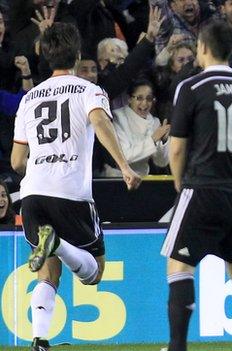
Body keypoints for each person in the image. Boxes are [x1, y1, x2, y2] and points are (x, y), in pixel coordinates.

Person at [10, 22, 141, 351]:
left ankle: (39, 340)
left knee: (47, 276)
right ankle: (57, 244)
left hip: (33, 192)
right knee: (94, 272)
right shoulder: (87, 90)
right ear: (78, 53)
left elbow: (15, 161)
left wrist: (41, 168)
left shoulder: (29, 100)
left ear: (44, 54)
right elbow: (99, 121)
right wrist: (124, 166)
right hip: (71, 192)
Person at [161, 20, 232, 351]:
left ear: (204, 48)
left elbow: (177, 146)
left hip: (200, 187)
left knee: (179, 267)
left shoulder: (192, 88)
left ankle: (177, 345)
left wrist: (181, 183)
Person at [102, 79, 170, 177]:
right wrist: (153, 140)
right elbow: (125, 156)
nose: (144, 103)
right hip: (117, 176)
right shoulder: (118, 117)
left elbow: (161, 162)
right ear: (129, 99)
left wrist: (164, 141)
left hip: (143, 178)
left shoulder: (155, 122)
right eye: (139, 98)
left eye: (149, 98)